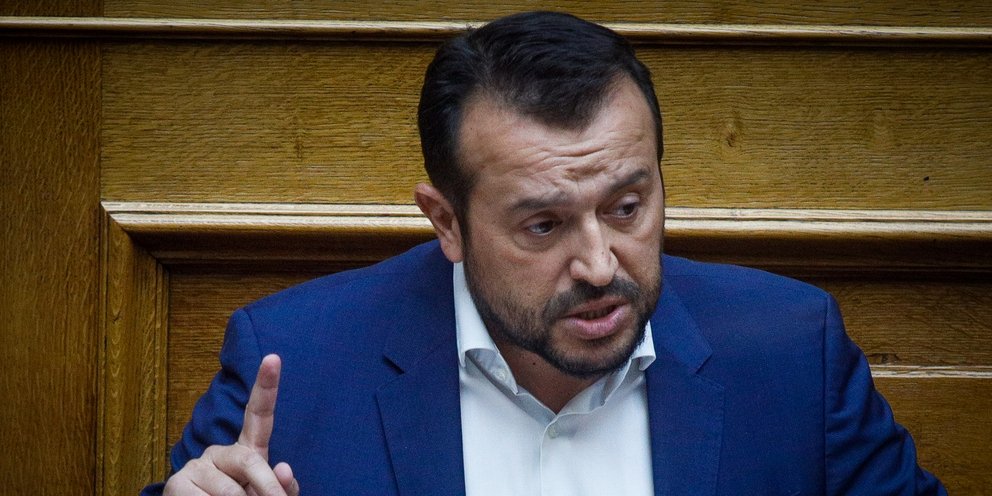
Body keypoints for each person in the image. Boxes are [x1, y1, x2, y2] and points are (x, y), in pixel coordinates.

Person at [144, 11, 946, 496]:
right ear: (447, 222)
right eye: (543, 226)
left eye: (626, 208)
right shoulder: (296, 366)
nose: (600, 264)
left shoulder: (793, 353)